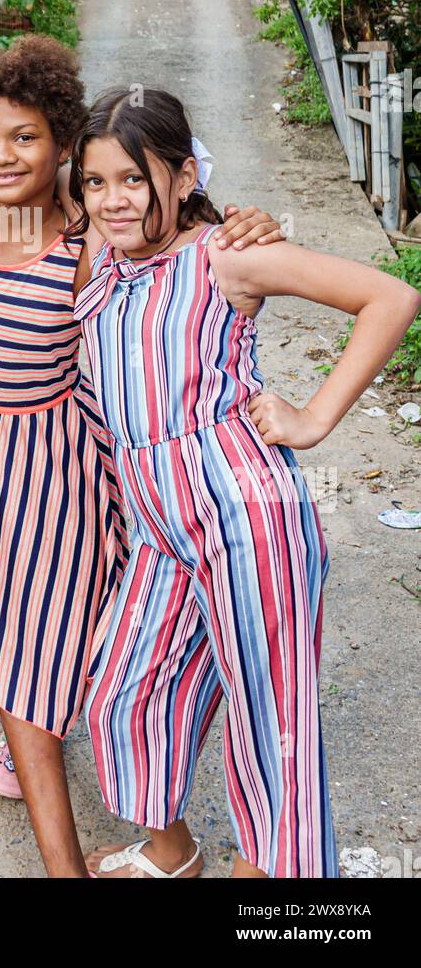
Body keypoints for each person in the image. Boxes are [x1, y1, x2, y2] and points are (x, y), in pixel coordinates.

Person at [0, 36, 284, 877]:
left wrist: (244, 222)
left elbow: (166, 227)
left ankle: (66, 751)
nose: (2, 155)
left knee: (75, 636)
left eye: (26, 138)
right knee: (7, 644)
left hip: (66, 467)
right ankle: (55, 833)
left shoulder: (86, 241)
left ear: (65, 145)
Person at [67, 86, 420, 879]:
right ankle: (173, 853)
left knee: (271, 721)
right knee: (124, 692)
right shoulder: (101, 256)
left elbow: (390, 298)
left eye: (134, 178)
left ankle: (269, 882)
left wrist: (313, 419)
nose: (113, 199)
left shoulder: (226, 254)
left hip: (246, 517)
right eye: (95, 182)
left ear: (184, 175)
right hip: (158, 528)